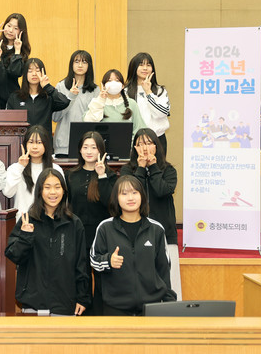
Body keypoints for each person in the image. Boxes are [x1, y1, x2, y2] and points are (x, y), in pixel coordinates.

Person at [5, 168, 91, 316]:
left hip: (65, 303)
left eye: (57, 187)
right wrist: (25, 236)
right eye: (47, 187)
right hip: (33, 303)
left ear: (64, 191)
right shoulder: (28, 220)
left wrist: (82, 298)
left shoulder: (74, 223)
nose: (53, 192)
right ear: (39, 191)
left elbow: (81, 264)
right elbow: (14, 256)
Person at [91, 175, 176, 315]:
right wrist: (108, 261)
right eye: (124, 194)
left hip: (151, 306)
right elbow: (94, 260)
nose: (130, 198)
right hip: (115, 307)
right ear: (116, 198)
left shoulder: (156, 229)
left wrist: (168, 303)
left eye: (134, 192)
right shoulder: (105, 227)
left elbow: (164, 269)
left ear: (142, 196)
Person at [119, 128, 181, 299]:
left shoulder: (168, 170)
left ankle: (171, 311)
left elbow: (161, 190)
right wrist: (140, 169)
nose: (144, 148)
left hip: (165, 234)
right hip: (136, 235)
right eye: (140, 144)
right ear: (134, 148)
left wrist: (153, 167)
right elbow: (133, 194)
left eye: (148, 143)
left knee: (170, 281)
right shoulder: (127, 171)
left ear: (156, 146)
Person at [65, 131, 117, 315]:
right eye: (85, 147)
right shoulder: (70, 175)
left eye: (93, 147)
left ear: (101, 150)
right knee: (82, 274)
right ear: (79, 150)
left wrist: (101, 176)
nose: (89, 151)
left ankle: (102, 314)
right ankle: (83, 313)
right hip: (78, 233)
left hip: (102, 235)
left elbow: (111, 204)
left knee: (103, 277)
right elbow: (67, 205)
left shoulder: (110, 176)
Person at [3, 125, 64, 215]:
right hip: (24, 220)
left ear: (46, 145)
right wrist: (20, 166)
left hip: (49, 219)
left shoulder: (56, 169)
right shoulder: (15, 168)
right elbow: (7, 193)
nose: (35, 147)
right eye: (31, 142)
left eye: (39, 142)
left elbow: (62, 197)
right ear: (25, 144)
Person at [53, 50, 99, 156]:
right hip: (63, 145)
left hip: (87, 146)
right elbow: (55, 117)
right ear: (71, 65)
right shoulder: (61, 86)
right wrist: (70, 97)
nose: (80, 65)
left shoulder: (95, 90)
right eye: (77, 61)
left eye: (84, 62)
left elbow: (96, 118)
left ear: (89, 66)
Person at [6, 58, 69, 133]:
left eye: (37, 70)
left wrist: (47, 87)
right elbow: (8, 120)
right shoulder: (15, 97)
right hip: (22, 139)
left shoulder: (48, 96)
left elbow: (65, 102)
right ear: (25, 74)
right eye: (30, 71)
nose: (34, 74)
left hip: (43, 139)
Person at [124, 52, 171, 153]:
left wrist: (148, 92)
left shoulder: (160, 90)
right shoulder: (125, 92)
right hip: (134, 140)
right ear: (134, 67)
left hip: (157, 138)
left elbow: (163, 113)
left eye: (148, 65)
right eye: (141, 65)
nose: (145, 68)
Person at [84, 69, 147, 139]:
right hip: (101, 144)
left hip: (127, 144)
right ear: (103, 85)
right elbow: (88, 124)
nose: (113, 83)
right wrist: (100, 100)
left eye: (117, 80)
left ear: (122, 86)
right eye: (109, 80)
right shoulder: (97, 103)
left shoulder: (131, 103)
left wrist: (131, 143)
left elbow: (139, 128)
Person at [0, 13, 30, 108]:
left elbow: (15, 72)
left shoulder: (22, 52)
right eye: (9, 26)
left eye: (15, 28)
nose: (10, 30)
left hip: (10, 97)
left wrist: (17, 51)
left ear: (21, 31)